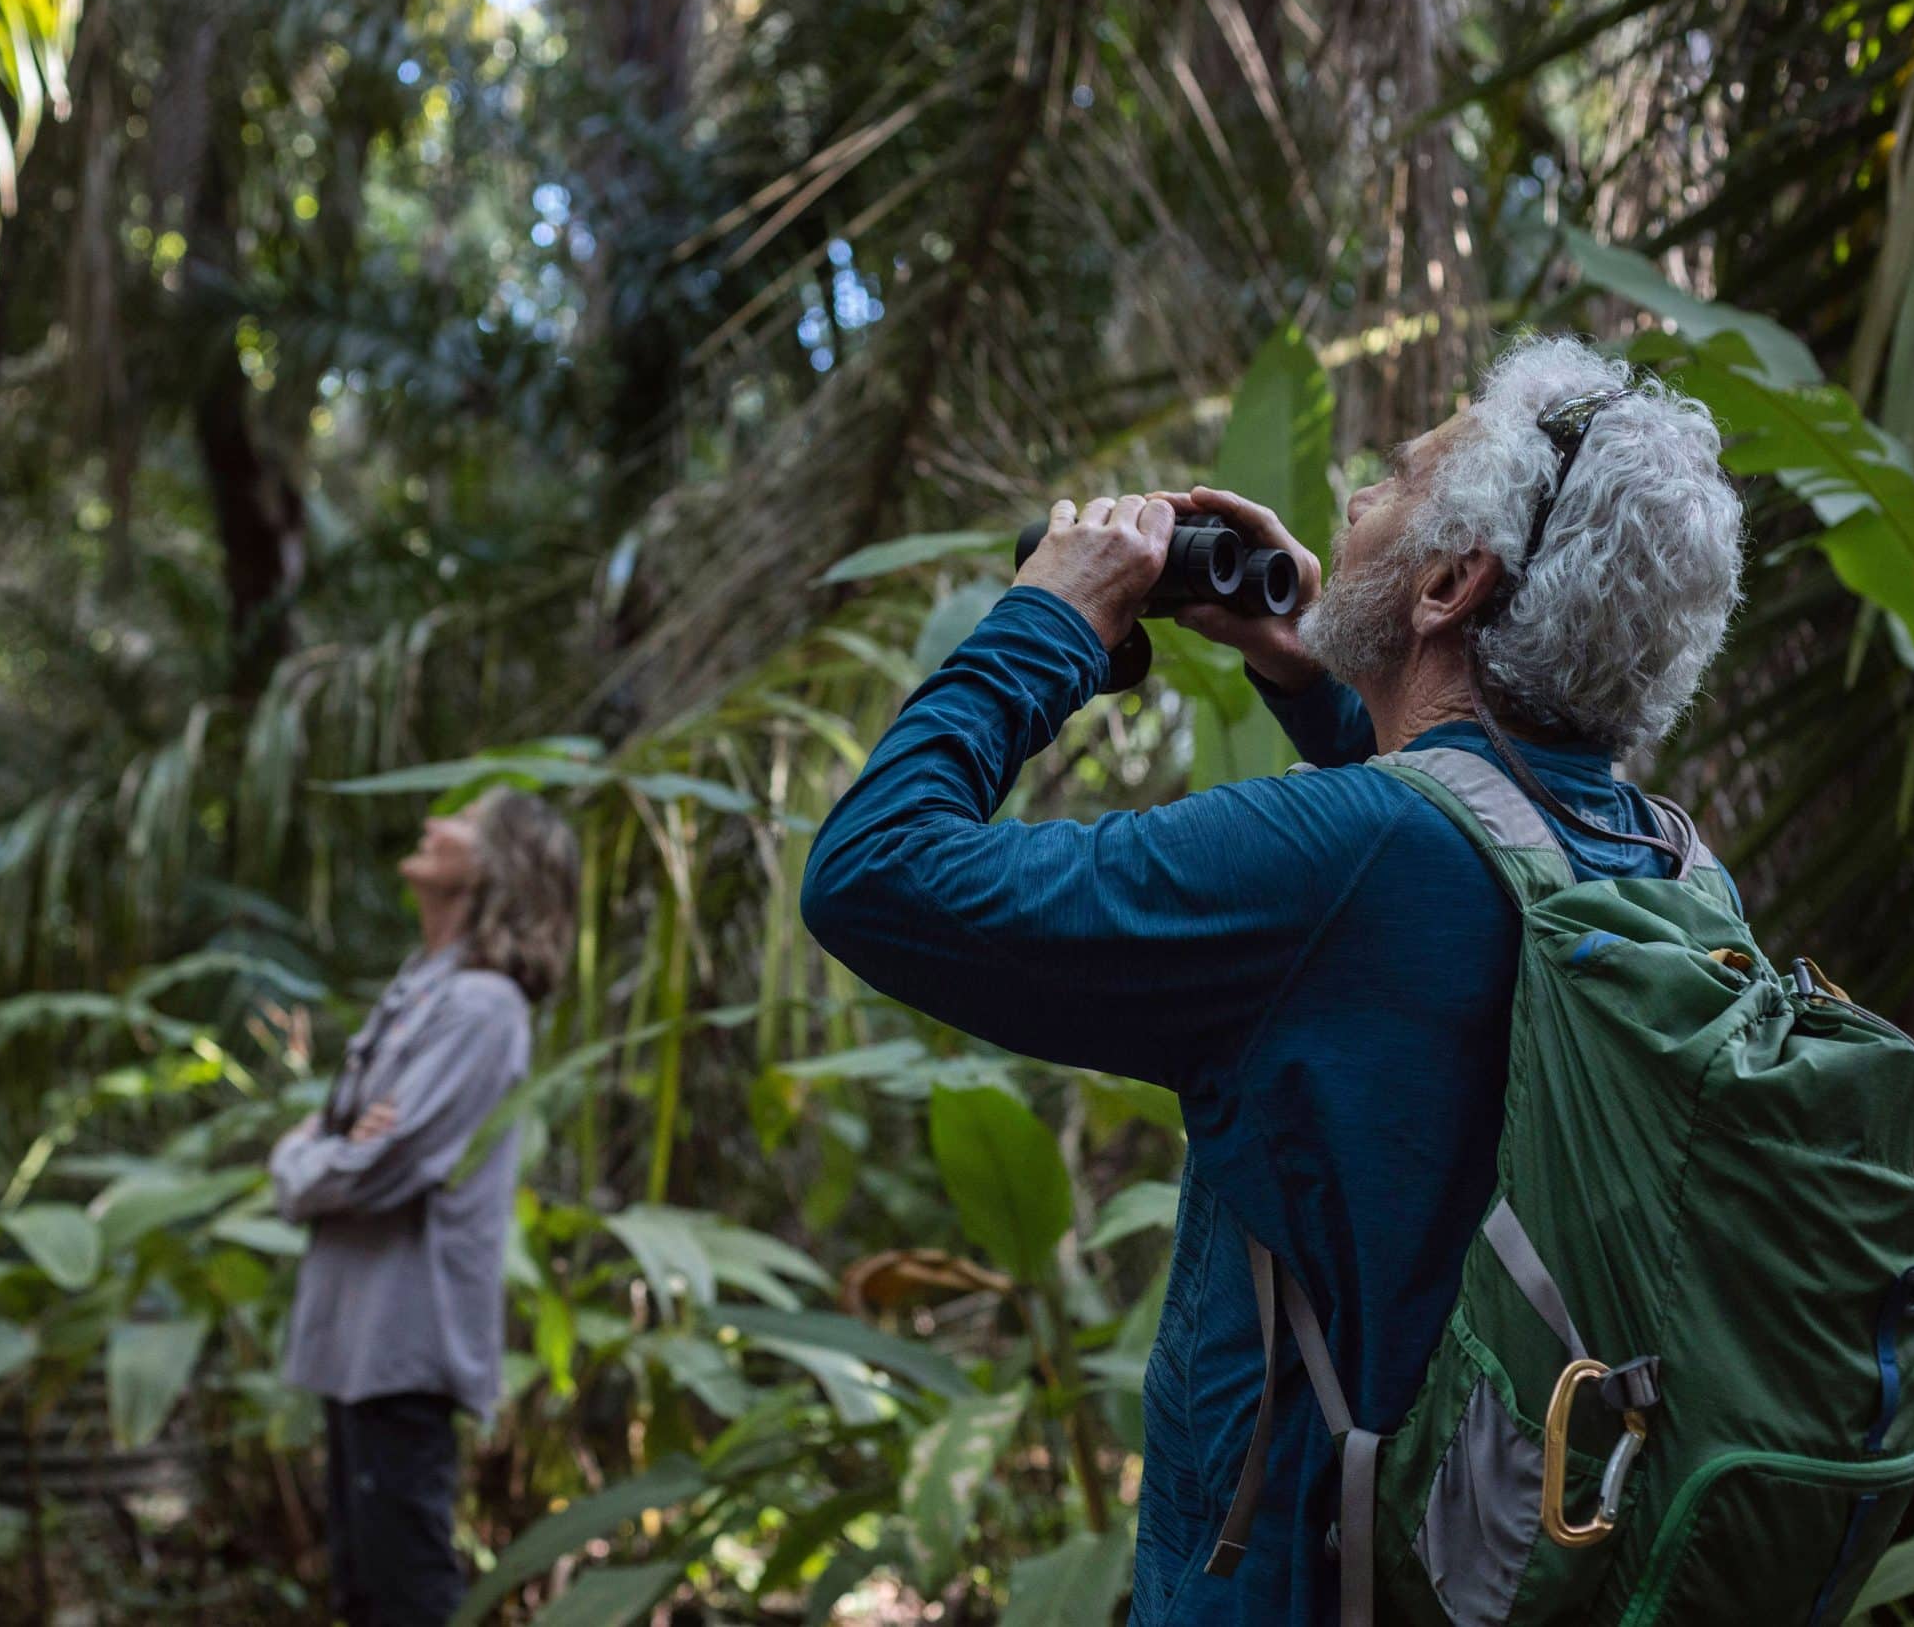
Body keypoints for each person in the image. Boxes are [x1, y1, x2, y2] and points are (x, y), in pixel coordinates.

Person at [800, 335, 1743, 1626]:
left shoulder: (1337, 861)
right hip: (1529, 1554)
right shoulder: (1670, 867)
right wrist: (1315, 650)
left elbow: (875, 872)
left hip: (1304, 1576)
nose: (1352, 504)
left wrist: (1047, 623)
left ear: (1452, 581)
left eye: (1395, 485)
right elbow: (1465, 843)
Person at [270, 787, 580, 1627]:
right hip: (357, 1338)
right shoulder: (425, 985)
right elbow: (345, 1139)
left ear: (495, 867)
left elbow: (377, 1164)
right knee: (365, 1590)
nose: (434, 824)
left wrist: (302, 1159)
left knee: (406, 1594)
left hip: (404, 1342)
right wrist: (322, 1147)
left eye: (466, 822)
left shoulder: (482, 1007)